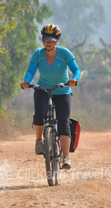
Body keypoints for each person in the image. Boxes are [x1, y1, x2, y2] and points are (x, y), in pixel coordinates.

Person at [20, 24, 81, 170]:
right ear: (42, 40)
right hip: (43, 89)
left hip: (62, 91)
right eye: (46, 40)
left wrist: (74, 80)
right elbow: (31, 71)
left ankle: (66, 157)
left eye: (52, 40)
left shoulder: (64, 53)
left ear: (57, 40)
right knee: (39, 114)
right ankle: (39, 141)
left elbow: (76, 70)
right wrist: (27, 82)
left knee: (63, 123)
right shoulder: (38, 54)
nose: (48, 43)